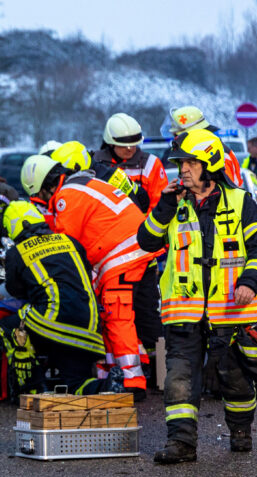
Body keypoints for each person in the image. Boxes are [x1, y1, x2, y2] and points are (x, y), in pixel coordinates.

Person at [136, 128, 257, 464]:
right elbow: (147, 242)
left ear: (209, 165)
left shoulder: (241, 201)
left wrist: (250, 281)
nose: (182, 169)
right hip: (183, 310)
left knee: (235, 377)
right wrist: (164, 205)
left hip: (231, 311)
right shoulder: (174, 204)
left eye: (189, 163)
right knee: (179, 378)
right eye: (180, 163)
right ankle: (181, 443)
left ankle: (241, 430)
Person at [20, 154, 158, 397]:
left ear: (45, 187)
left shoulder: (66, 196)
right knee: (111, 313)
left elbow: (67, 246)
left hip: (122, 254)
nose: (43, 201)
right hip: (130, 249)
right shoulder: (81, 185)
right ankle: (124, 370)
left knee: (117, 314)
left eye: (40, 196)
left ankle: (132, 381)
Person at [0, 201, 112, 395]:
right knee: (77, 383)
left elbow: (13, 291)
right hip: (89, 324)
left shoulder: (18, 252)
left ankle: (31, 388)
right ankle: (108, 386)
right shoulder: (70, 241)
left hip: (53, 319)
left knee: (9, 327)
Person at [90, 113, 168, 386]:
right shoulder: (95, 165)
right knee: (114, 315)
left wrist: (156, 245)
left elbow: (161, 207)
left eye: (134, 144)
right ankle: (126, 370)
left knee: (147, 312)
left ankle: (160, 374)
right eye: (124, 145)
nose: (130, 149)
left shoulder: (149, 166)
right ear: (110, 143)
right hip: (108, 254)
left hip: (143, 252)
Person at [167, 105, 243, 187]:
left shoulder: (217, 155)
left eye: (177, 135)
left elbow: (224, 194)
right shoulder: (199, 154)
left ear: (191, 133)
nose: (176, 140)